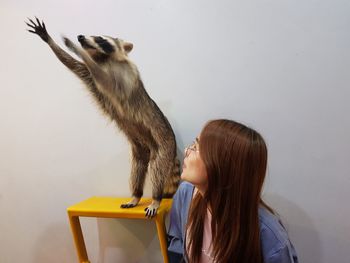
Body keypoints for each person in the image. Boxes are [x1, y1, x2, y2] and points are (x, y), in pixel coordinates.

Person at [167, 119, 298, 263]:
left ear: (222, 165)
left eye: (197, 147)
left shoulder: (271, 239)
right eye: (194, 143)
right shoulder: (185, 195)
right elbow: (176, 242)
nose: (187, 151)